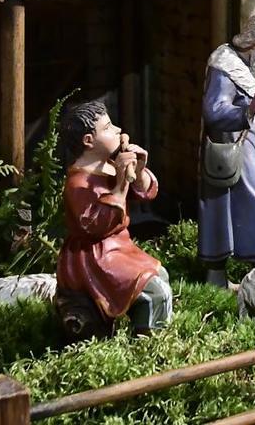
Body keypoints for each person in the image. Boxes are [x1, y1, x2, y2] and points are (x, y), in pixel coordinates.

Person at [56, 100, 172, 333]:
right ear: (88, 141)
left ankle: (151, 327)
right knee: (155, 292)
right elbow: (94, 226)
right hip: (95, 256)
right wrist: (120, 183)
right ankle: (147, 340)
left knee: (161, 274)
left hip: (119, 246)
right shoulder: (78, 183)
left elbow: (145, 193)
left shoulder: (110, 165)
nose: (118, 130)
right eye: (108, 127)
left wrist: (138, 170)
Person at [198, 13, 255, 285]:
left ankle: (219, 279)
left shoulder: (241, 62)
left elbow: (244, 96)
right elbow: (214, 111)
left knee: (222, 212)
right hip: (230, 151)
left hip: (237, 148)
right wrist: (247, 111)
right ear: (252, 42)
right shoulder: (224, 66)